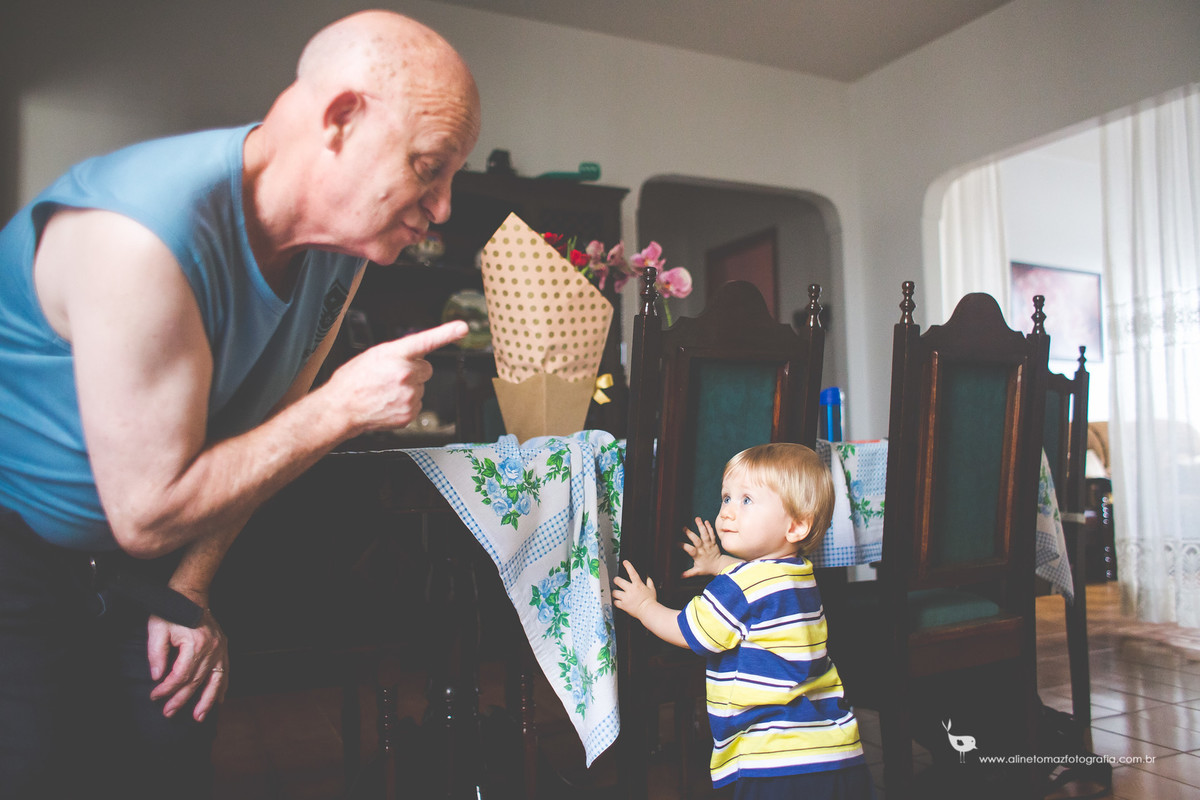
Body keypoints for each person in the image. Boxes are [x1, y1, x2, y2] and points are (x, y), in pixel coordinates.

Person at [0, 10, 480, 798]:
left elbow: (263, 436)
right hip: (18, 551)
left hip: (139, 563)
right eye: (430, 167)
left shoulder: (343, 253)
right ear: (341, 121)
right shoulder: (140, 239)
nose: (444, 207)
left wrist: (189, 586)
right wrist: (341, 406)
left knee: (168, 752)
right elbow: (149, 508)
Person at [613, 443, 874, 800]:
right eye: (726, 498)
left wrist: (644, 606)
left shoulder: (736, 589)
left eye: (746, 500)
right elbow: (758, 583)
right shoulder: (799, 575)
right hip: (834, 750)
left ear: (796, 525)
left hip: (771, 760)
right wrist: (717, 562)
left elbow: (687, 632)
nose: (727, 514)